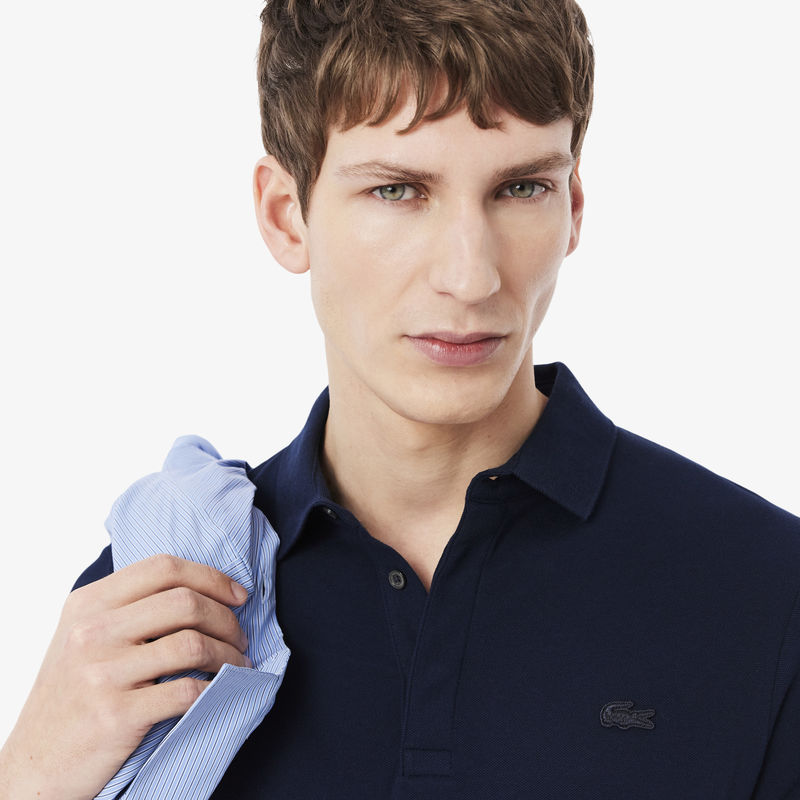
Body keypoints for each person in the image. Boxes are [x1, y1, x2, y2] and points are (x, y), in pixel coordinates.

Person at [2, 0, 799, 798]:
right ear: (286, 217)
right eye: (397, 190)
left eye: (521, 187)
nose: (470, 276)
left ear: (573, 210)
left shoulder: (767, 590)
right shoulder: (163, 595)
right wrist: (31, 770)